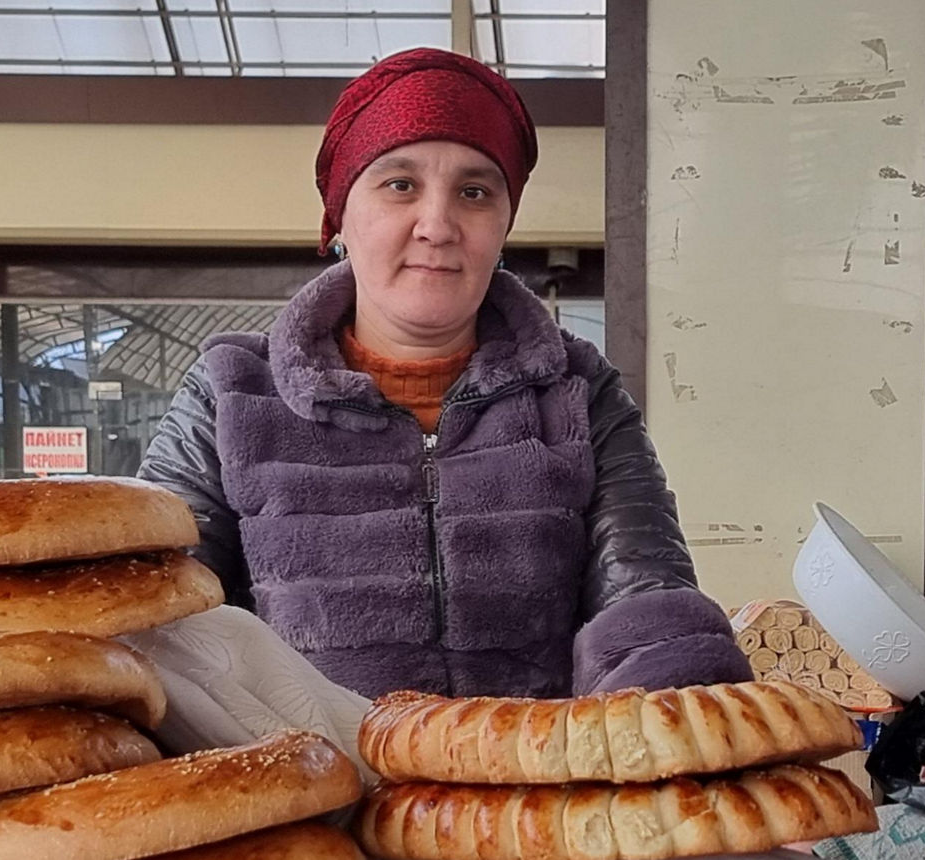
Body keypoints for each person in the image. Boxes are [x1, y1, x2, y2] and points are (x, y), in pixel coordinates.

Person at [138, 47, 753, 700]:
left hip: (527, 790)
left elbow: (644, 593)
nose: (437, 225)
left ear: (504, 221)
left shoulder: (578, 389)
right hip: (316, 792)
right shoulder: (232, 394)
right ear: (340, 217)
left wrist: (675, 722)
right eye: (400, 184)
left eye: (474, 191)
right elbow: (159, 612)